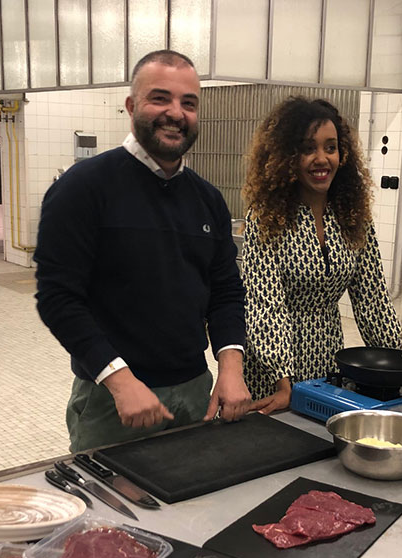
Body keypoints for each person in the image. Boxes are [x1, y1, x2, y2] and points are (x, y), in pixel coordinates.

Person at [34, 50, 251, 452]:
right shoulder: (83, 188)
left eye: (188, 103)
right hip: (111, 400)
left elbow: (224, 291)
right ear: (132, 106)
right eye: (160, 98)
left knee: (195, 508)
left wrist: (231, 368)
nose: (175, 112)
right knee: (111, 513)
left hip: (194, 391)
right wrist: (120, 380)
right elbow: (57, 298)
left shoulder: (208, 200)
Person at [242, 96, 402, 413]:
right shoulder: (266, 219)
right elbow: (264, 304)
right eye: (307, 148)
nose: (321, 158)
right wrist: (282, 379)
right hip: (271, 369)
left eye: (330, 147)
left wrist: (399, 362)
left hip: (327, 355)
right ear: (287, 156)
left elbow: (373, 298)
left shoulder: (352, 218)